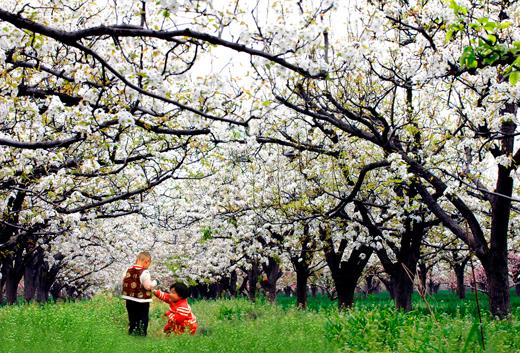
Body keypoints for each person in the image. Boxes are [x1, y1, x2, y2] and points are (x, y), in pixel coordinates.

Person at [121, 251, 157, 336]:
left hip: (129, 299)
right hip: (142, 301)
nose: (148, 266)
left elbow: (123, 280)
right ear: (146, 262)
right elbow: (147, 286)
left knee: (132, 318)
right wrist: (155, 283)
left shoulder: (127, 269)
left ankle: (132, 333)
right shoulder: (145, 272)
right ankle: (141, 335)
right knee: (143, 319)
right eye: (149, 264)